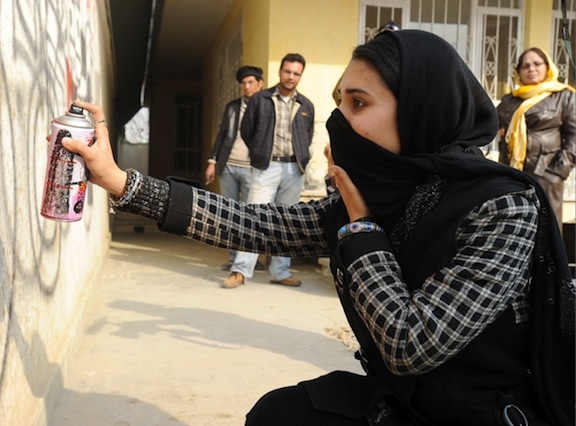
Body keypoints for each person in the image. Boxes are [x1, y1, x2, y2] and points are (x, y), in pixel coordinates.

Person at [62, 29, 574, 425]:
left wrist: (363, 232)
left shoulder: (502, 206)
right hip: (405, 403)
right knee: (281, 414)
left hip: (476, 413)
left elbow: (411, 343)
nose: (339, 121)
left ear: (421, 109)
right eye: (339, 101)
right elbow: (254, 224)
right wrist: (121, 182)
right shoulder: (390, 191)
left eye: (359, 104)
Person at [222, 52, 315, 289]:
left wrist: (302, 159)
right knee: (255, 218)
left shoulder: (306, 105)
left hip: (294, 169)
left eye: (296, 73)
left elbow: (307, 134)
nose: (291, 77)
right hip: (266, 167)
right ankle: (240, 270)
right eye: (287, 71)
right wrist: (259, 152)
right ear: (280, 71)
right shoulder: (260, 99)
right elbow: (247, 130)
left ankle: (280, 271)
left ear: (300, 76)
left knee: (286, 223)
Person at [497, 47, 576, 230]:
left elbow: (574, 137)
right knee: (514, 228)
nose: (531, 69)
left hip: (546, 174)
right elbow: (491, 125)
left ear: (547, 67)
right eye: (525, 66)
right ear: (519, 72)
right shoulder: (510, 100)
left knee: (547, 230)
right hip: (512, 174)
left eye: (537, 64)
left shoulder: (563, 96)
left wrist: (558, 172)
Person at [205, 65, 265, 271]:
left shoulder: (266, 106)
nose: (247, 87)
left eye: (251, 82)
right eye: (244, 83)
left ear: (260, 84)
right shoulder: (232, 107)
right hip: (229, 166)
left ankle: (249, 261)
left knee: (251, 216)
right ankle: (233, 259)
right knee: (230, 215)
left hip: (253, 169)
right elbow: (222, 135)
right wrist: (212, 161)